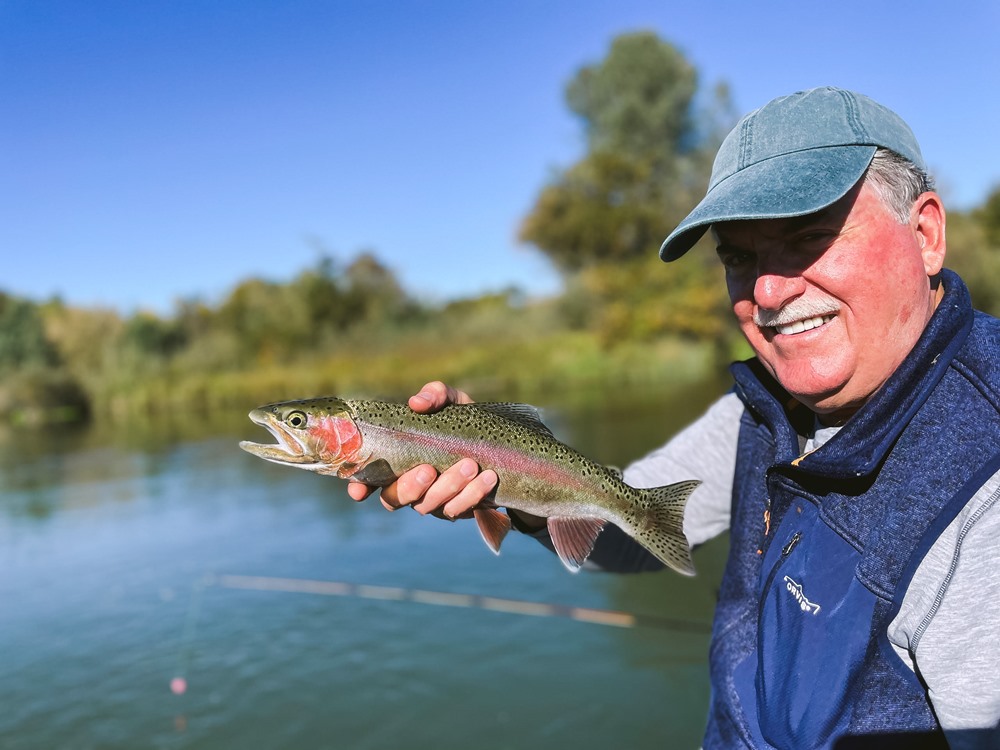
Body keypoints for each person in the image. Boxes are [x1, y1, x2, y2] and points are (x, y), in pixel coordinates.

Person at [347, 87, 1000, 749]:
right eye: (739, 258)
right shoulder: (760, 411)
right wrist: (506, 477)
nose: (768, 292)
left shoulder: (987, 489)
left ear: (925, 235)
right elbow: (632, 524)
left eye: (808, 237)